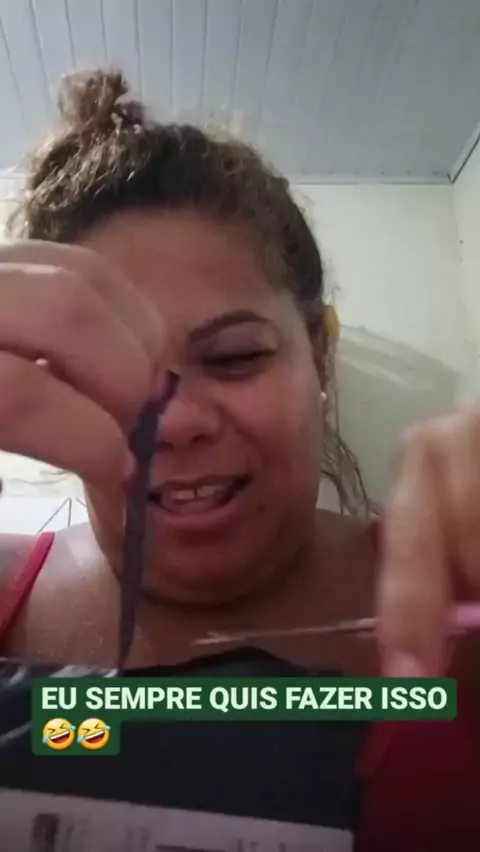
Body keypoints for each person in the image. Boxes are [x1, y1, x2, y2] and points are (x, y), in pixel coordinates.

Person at [0, 69, 478, 850]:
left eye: (234, 358)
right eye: (113, 373)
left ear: (320, 356)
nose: (177, 422)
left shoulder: (463, 600)